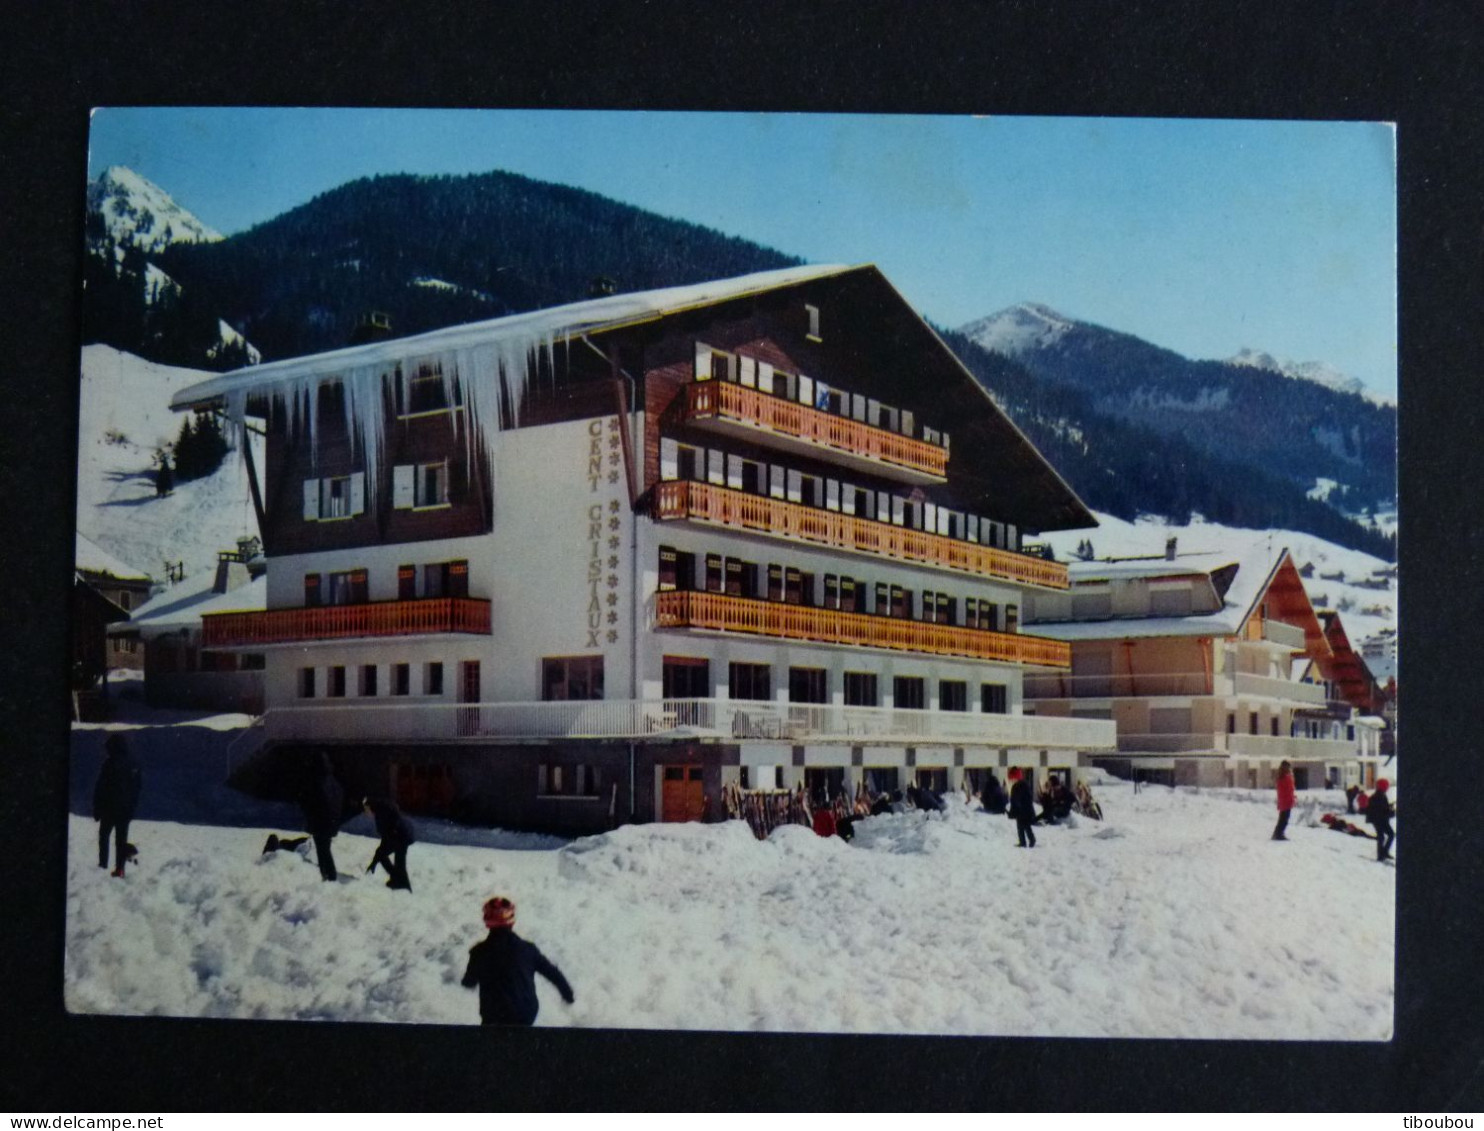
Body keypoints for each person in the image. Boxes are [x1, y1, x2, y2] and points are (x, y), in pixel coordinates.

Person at [462, 897, 575, 1026]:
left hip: (494, 1015)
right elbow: (553, 973)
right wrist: (567, 994)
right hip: (525, 1014)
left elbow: (469, 982)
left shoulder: (479, 952)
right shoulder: (527, 949)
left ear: (487, 921)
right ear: (512, 921)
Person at [94, 733, 142, 877]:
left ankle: (102, 866)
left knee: (104, 836)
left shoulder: (109, 763)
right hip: (125, 810)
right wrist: (132, 808)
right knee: (121, 840)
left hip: (109, 808)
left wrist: (97, 807)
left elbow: (101, 787)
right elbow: (137, 788)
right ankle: (120, 869)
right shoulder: (133, 764)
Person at [300, 751, 345, 882]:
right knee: (325, 848)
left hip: (320, 821)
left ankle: (327, 876)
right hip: (331, 821)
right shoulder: (332, 780)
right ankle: (329, 875)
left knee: (322, 849)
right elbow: (339, 798)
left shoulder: (316, 781)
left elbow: (310, 801)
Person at [363, 796, 415, 890]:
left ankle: (400, 883)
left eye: (366, 809)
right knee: (398, 861)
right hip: (404, 833)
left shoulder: (381, 816)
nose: (366, 813)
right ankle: (400, 882)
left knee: (396, 860)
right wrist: (374, 862)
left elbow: (385, 840)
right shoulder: (382, 813)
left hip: (401, 834)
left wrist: (374, 862)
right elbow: (385, 839)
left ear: (371, 807)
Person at [1366, 778, 1395, 862]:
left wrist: (1389, 807)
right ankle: (1381, 855)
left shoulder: (1380, 795)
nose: (1388, 788)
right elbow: (1381, 810)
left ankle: (1383, 853)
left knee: (1385, 836)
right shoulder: (1379, 796)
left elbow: (1383, 808)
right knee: (1386, 835)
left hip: (1379, 819)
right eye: (1386, 786)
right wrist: (1391, 812)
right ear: (1383, 786)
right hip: (1378, 820)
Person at [1007, 768, 1036, 848]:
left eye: (1013, 778)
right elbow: (1014, 800)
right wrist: (1013, 811)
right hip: (1020, 810)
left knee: (1026, 826)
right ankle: (1022, 841)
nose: (1011, 780)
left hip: (1025, 809)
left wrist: (1020, 806)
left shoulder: (1023, 785)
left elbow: (1026, 798)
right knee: (1020, 826)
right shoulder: (1016, 786)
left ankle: (1032, 840)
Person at [1272, 760, 1295, 841]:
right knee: (1284, 819)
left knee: (1283, 818)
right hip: (1286, 800)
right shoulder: (1284, 777)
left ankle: (1278, 833)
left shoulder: (1283, 776)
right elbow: (1288, 789)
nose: (1289, 768)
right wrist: (1291, 798)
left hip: (1285, 800)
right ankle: (1278, 834)